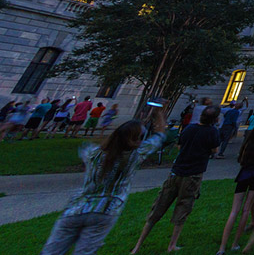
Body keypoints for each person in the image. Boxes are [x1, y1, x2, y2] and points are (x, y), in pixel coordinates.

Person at [40, 108, 167, 255]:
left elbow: (86, 149)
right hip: (105, 211)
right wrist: (158, 115)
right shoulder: (135, 156)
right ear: (136, 140)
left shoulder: (93, 153)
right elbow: (160, 135)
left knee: (51, 251)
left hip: (77, 209)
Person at [130, 105, 221, 253]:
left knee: (159, 206)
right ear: (216, 119)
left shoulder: (189, 128)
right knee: (183, 207)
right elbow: (214, 150)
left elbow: (179, 146)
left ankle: (137, 246)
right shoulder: (212, 132)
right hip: (193, 175)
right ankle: (172, 245)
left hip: (176, 171)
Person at [217, 122, 254, 255]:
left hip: (244, 175)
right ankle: (235, 243)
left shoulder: (247, 144)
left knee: (234, 211)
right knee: (246, 210)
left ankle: (222, 248)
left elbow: (240, 158)